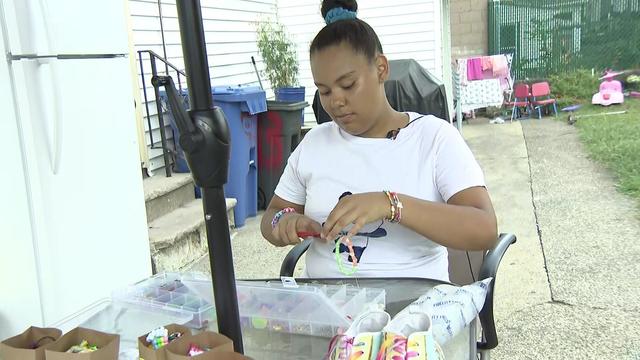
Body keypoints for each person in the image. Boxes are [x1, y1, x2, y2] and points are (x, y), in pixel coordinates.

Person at [260, 0, 497, 281]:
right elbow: (273, 214)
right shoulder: (314, 143)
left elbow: (484, 228)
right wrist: (283, 221)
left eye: (348, 85)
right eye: (324, 91)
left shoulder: (433, 138)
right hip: (327, 309)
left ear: (381, 68)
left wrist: (391, 205)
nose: (336, 101)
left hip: (412, 312)